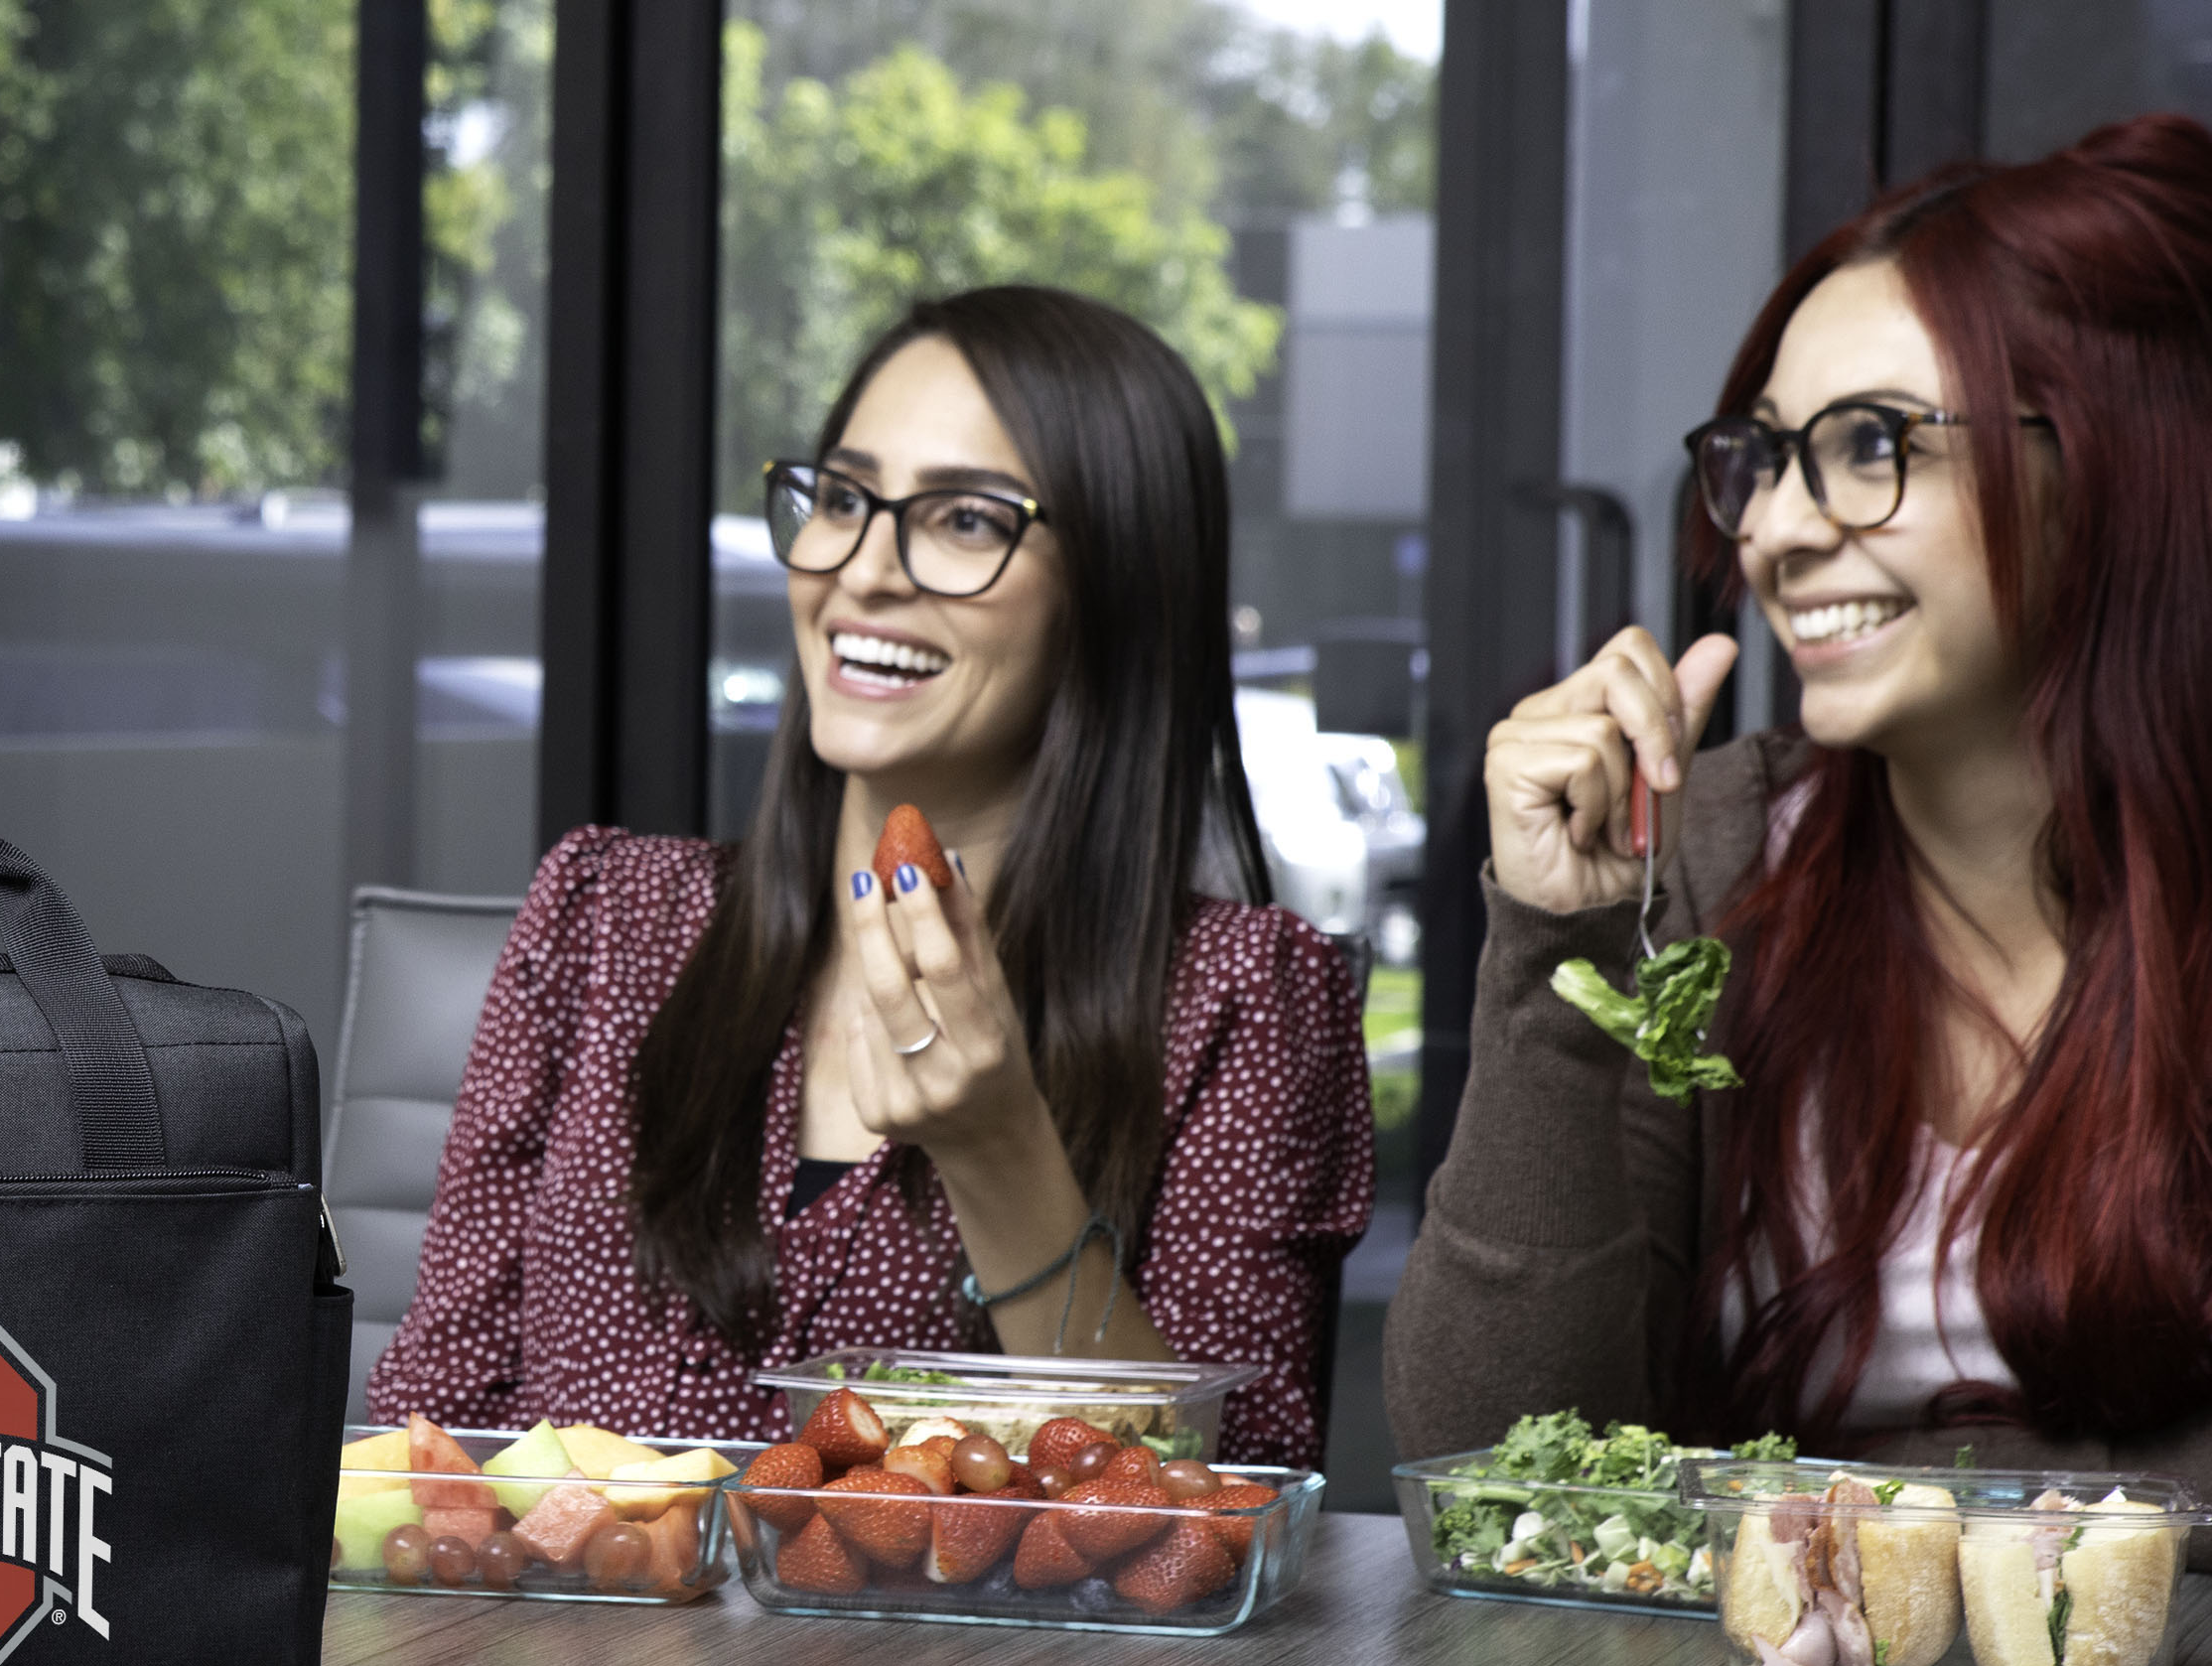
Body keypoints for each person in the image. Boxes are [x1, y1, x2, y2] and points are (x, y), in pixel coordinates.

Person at [369, 287, 1376, 1466]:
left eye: (965, 520)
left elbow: (1223, 1509)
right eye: (844, 500)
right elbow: (425, 1436)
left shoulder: (1246, 1002)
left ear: (1116, 590)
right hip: (571, 1599)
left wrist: (1000, 1153)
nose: (864, 571)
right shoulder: (604, 918)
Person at [1389, 114, 2212, 1495]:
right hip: (1757, 1640)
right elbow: (1497, 1471)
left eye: (1872, 444)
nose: (1771, 529)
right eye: (1763, 457)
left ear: (2112, 464)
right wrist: (1555, 951)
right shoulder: (1707, 855)